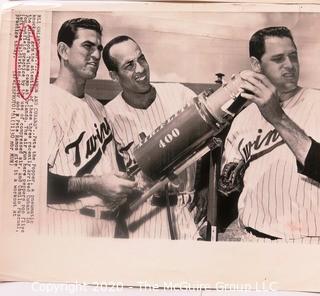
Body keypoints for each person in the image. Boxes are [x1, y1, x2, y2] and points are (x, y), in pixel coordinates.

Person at [220, 26, 320, 243]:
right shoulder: (243, 119)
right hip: (251, 240)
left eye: (293, 56)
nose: (290, 65)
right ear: (257, 65)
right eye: (278, 59)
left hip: (304, 242)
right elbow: (230, 191)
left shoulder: (317, 103)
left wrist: (278, 117)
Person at [102, 35, 199, 239]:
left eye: (141, 59)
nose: (140, 69)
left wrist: (205, 188)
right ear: (114, 75)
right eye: (129, 65)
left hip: (187, 211)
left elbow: (209, 140)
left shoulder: (180, 95)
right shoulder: (108, 116)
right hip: (143, 218)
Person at [46, 18, 137, 237]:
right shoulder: (46, 103)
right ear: (63, 51)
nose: (96, 55)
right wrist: (95, 184)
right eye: (88, 46)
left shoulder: (97, 107)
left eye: (99, 48)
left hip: (108, 226)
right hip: (68, 226)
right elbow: (36, 184)